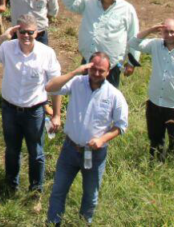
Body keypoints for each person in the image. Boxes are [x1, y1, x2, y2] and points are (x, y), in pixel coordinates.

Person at [0, 15, 62, 200]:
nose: (26, 36)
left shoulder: (46, 53)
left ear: (37, 33)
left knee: (36, 153)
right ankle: (11, 187)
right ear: (16, 31)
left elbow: (56, 85)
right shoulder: (8, 48)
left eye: (30, 32)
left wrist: (56, 114)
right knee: (12, 150)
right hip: (10, 110)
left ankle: (35, 192)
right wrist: (2, 37)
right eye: (22, 32)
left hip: (35, 111)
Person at [45, 53, 129, 225]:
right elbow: (50, 87)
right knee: (58, 191)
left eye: (101, 71)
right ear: (88, 67)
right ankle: (53, 223)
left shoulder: (114, 95)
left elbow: (121, 125)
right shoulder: (77, 83)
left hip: (95, 154)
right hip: (70, 149)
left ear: (108, 71)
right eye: (94, 69)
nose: (97, 74)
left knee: (90, 196)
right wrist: (75, 71)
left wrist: (103, 139)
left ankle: (83, 223)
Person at [130, 19, 174, 160]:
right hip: (155, 103)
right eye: (165, 31)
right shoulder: (155, 45)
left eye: (172, 31)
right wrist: (151, 29)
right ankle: (155, 166)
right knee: (155, 141)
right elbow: (133, 43)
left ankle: (172, 169)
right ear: (161, 32)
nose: (169, 35)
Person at [62, 0, 140, 88]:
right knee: (84, 96)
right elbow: (67, 3)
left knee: (107, 102)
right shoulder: (89, 0)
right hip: (88, 62)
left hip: (111, 66)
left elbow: (134, 36)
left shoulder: (127, 9)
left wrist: (131, 62)